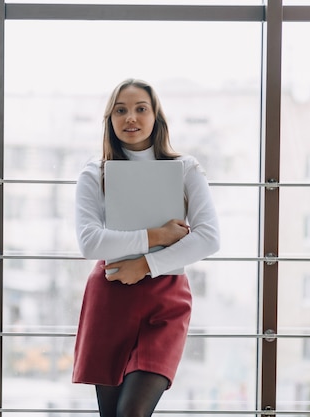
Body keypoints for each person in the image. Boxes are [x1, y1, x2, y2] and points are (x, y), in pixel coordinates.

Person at [72, 78, 220, 417]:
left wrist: (146, 265)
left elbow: (209, 237)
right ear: (109, 120)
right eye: (120, 111)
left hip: (165, 300)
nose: (131, 118)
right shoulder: (95, 172)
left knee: (133, 412)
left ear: (157, 117)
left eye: (141, 109)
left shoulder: (186, 168)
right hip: (111, 292)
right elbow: (90, 241)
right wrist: (155, 235)